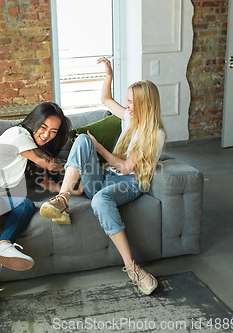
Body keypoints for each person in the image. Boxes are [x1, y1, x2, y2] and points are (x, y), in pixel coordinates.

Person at [40, 58, 166, 295]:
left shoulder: (155, 135)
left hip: (129, 183)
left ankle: (133, 268)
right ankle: (63, 199)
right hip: (105, 177)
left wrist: (99, 148)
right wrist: (108, 74)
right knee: (83, 139)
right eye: (127, 101)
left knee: (100, 199)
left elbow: (127, 167)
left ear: (144, 104)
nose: (126, 106)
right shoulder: (131, 118)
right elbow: (106, 100)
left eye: (131, 102)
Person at [0, 102, 78, 303]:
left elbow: (44, 181)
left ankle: (4, 244)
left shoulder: (28, 147)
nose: (47, 135)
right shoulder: (19, 135)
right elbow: (49, 163)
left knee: (25, 205)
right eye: (44, 127)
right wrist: (76, 164)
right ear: (34, 121)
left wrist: (71, 189)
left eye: (54, 131)